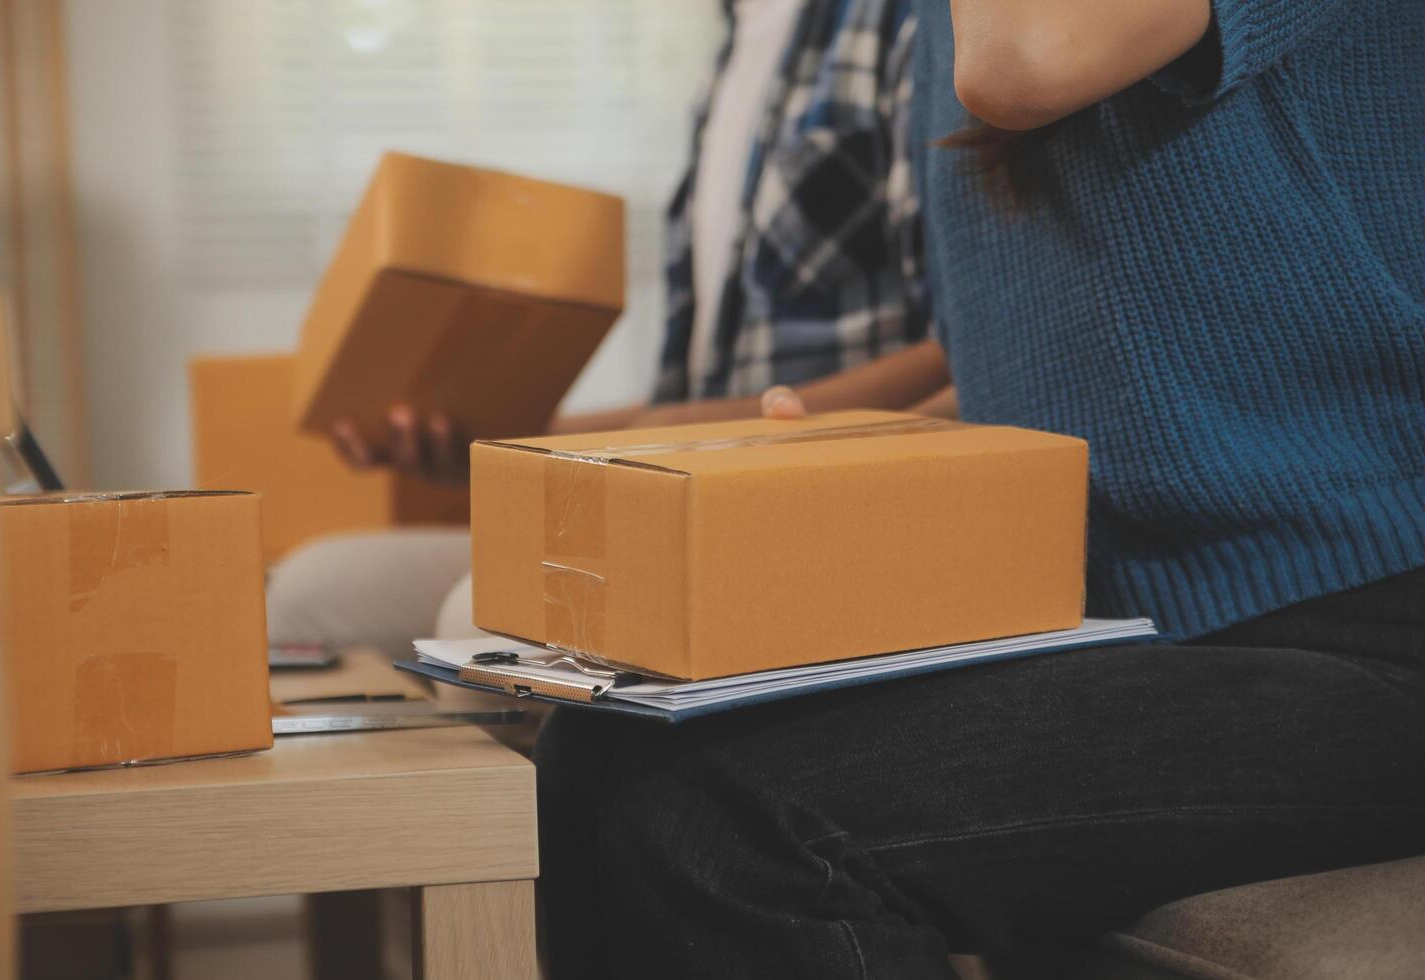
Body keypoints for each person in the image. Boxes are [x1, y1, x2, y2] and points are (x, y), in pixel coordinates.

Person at [534, 1, 1425, 977]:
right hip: (1125, 624)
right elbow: (1048, 358)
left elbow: (1027, 59)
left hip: (1372, 629)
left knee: (728, 814)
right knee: (593, 748)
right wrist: (849, 451)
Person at [273, 0, 950, 655]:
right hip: (678, 494)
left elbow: (959, 356)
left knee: (477, 624)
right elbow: (677, 417)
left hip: (810, 512)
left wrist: (683, 436)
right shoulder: (737, 46)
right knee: (310, 591)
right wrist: (497, 449)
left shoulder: (913, 23)